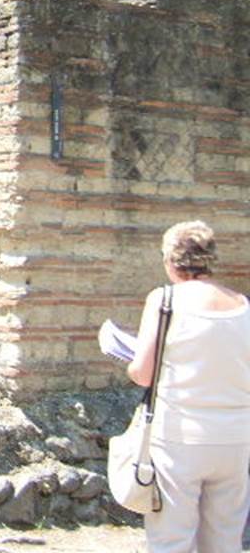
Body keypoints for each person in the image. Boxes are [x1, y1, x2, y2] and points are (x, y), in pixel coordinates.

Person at [127, 220, 250, 553]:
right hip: (236, 439)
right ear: (210, 258)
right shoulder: (243, 304)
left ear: (170, 259)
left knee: (172, 539)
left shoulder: (164, 300)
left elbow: (142, 373)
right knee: (225, 540)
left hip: (179, 438)